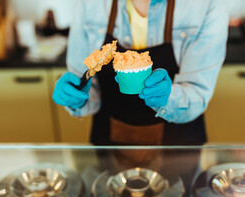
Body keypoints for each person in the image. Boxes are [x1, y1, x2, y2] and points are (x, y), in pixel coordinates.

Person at [52, 0, 229, 146]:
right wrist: (78, 97)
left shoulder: (207, 5)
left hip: (178, 145)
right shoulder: (90, 4)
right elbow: (88, 87)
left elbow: (198, 92)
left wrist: (168, 98)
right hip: (110, 140)